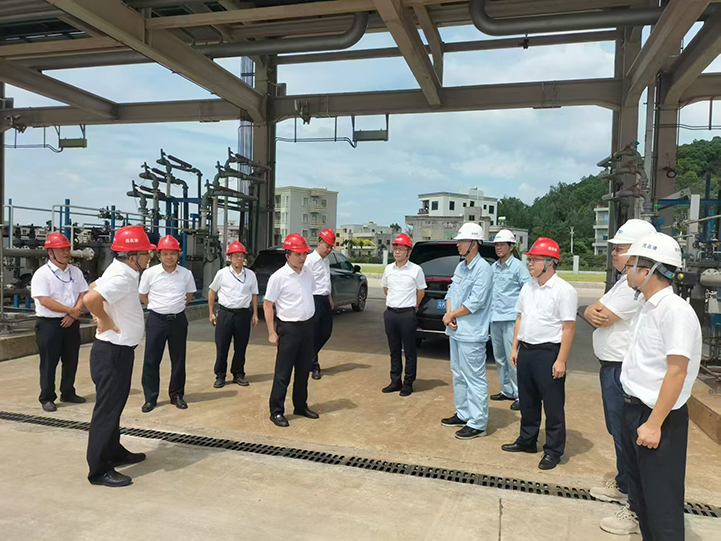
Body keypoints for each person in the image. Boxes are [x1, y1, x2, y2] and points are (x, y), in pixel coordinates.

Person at [615, 232, 701, 540]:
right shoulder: (647, 306)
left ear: (648, 269)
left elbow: (676, 372)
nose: (625, 270)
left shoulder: (674, 311)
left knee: (662, 505)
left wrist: (653, 424)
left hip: (658, 418)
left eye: (630, 265)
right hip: (635, 411)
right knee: (641, 499)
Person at [582, 220, 656, 536]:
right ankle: (624, 484)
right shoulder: (622, 282)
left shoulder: (631, 287)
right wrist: (590, 311)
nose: (614, 253)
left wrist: (592, 312)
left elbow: (602, 315)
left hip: (622, 370)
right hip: (612, 368)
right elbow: (592, 311)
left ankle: (637, 507)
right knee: (618, 433)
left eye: (621, 248)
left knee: (628, 437)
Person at [83, 225, 155, 487]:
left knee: (114, 407)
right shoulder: (122, 277)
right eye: (146, 253)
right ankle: (99, 469)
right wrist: (103, 318)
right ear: (133, 256)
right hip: (113, 353)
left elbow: (93, 286)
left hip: (116, 352)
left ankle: (113, 451)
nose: (149, 257)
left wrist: (102, 313)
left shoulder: (121, 271)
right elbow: (90, 298)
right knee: (106, 411)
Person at [501, 237, 577, 470]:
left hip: (549, 353)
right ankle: (527, 440)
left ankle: (553, 451)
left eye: (534, 260)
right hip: (526, 350)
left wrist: (561, 360)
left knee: (553, 405)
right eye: (529, 260)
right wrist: (514, 347)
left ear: (550, 262)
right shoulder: (528, 287)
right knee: (528, 401)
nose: (530, 264)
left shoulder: (564, 290)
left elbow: (568, 328)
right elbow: (520, 317)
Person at [440, 223, 493, 440]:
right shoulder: (460, 267)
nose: (458, 244)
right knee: (458, 374)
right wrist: (449, 314)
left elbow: (476, 302)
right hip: (455, 330)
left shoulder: (484, 269)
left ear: (474, 243)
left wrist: (451, 315)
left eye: (462, 241)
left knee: (474, 378)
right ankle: (463, 413)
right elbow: (451, 291)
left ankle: (478, 422)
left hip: (472, 334)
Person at [30, 232, 89, 412]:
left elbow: (83, 293)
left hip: (72, 322)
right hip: (49, 324)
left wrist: (74, 313)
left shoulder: (75, 271)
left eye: (67, 249)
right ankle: (47, 397)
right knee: (49, 362)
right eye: (61, 250)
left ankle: (68, 392)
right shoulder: (42, 274)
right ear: (50, 253)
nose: (66, 253)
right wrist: (70, 311)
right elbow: (44, 300)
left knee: (71, 360)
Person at [264, 233, 318, 427]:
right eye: (297, 254)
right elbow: (268, 304)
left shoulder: (308, 273)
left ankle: (300, 406)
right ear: (288, 255)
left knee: (303, 371)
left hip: (307, 327)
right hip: (289, 328)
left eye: (304, 254)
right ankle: (276, 411)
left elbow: (310, 293)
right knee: (283, 372)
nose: (302, 258)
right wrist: (272, 332)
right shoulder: (278, 277)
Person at [139, 235, 197, 412]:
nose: (169, 257)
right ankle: (150, 398)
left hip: (178, 320)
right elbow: (143, 295)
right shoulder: (150, 273)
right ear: (159, 255)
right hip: (156, 320)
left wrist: (175, 307)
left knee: (178, 359)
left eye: (173, 253)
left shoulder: (186, 274)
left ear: (178, 254)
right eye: (165, 254)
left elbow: (189, 296)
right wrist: (157, 307)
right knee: (151, 359)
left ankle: (177, 395)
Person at [208, 241, 259, 389]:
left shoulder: (250, 275)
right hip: (225, 314)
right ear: (229, 257)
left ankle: (238, 374)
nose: (239, 259)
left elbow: (254, 295)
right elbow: (212, 292)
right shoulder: (222, 274)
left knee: (241, 346)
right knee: (222, 346)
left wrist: (255, 314)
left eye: (241, 256)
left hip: (243, 314)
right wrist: (211, 313)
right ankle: (220, 375)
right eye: (235, 256)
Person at [380, 233, 426, 397]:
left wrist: (411, 306)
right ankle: (395, 381)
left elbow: (420, 293)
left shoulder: (416, 270)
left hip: (407, 314)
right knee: (394, 349)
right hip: (391, 313)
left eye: (401, 249)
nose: (397, 252)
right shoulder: (388, 269)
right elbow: (386, 289)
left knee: (409, 350)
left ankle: (408, 383)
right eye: (395, 249)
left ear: (408, 251)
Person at [489, 229, 530, 411]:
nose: (498, 248)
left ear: (511, 247)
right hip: (495, 318)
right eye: (496, 245)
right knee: (499, 358)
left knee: (512, 358)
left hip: (511, 319)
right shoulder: (493, 268)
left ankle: (521, 395)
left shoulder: (518, 267)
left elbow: (528, 291)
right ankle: (507, 390)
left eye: (502, 244)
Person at [306, 228, 336, 380]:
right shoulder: (309, 260)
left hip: (324, 299)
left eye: (331, 247)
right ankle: (314, 365)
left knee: (326, 332)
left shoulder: (326, 261)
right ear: (319, 243)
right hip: (313, 299)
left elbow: (326, 280)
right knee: (314, 332)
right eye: (327, 246)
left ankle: (307, 355)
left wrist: (330, 298)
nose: (329, 250)